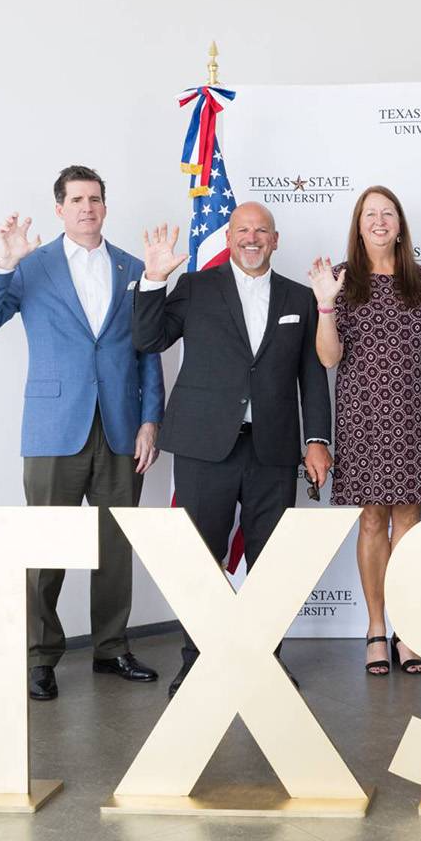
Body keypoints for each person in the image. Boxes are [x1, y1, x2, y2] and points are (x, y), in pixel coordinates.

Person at [0, 164, 163, 702]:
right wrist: (5, 262)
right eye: (76, 200)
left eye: (95, 198)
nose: (87, 208)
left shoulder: (133, 267)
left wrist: (150, 420)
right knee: (44, 548)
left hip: (121, 428)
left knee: (114, 546)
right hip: (54, 429)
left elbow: (146, 351)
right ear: (59, 208)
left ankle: (111, 648)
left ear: (105, 204)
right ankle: (40, 656)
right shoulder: (33, 265)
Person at [132, 201, 332, 697]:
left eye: (261, 231)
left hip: (273, 449)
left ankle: (266, 661)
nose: (251, 238)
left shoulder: (300, 298)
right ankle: (196, 662)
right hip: (204, 447)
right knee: (200, 559)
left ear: (275, 239)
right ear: (229, 236)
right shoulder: (197, 287)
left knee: (272, 564)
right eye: (242, 229)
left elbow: (312, 375)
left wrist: (317, 440)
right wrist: (153, 281)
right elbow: (148, 337)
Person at [307, 185, 421, 676]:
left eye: (388, 213)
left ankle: (406, 631)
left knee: (409, 522)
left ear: (400, 224)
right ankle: (374, 628)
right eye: (371, 213)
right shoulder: (341, 281)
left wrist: (404, 374)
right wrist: (325, 306)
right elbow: (328, 357)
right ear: (358, 223)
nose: (380, 220)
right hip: (363, 418)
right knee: (372, 520)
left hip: (414, 418)